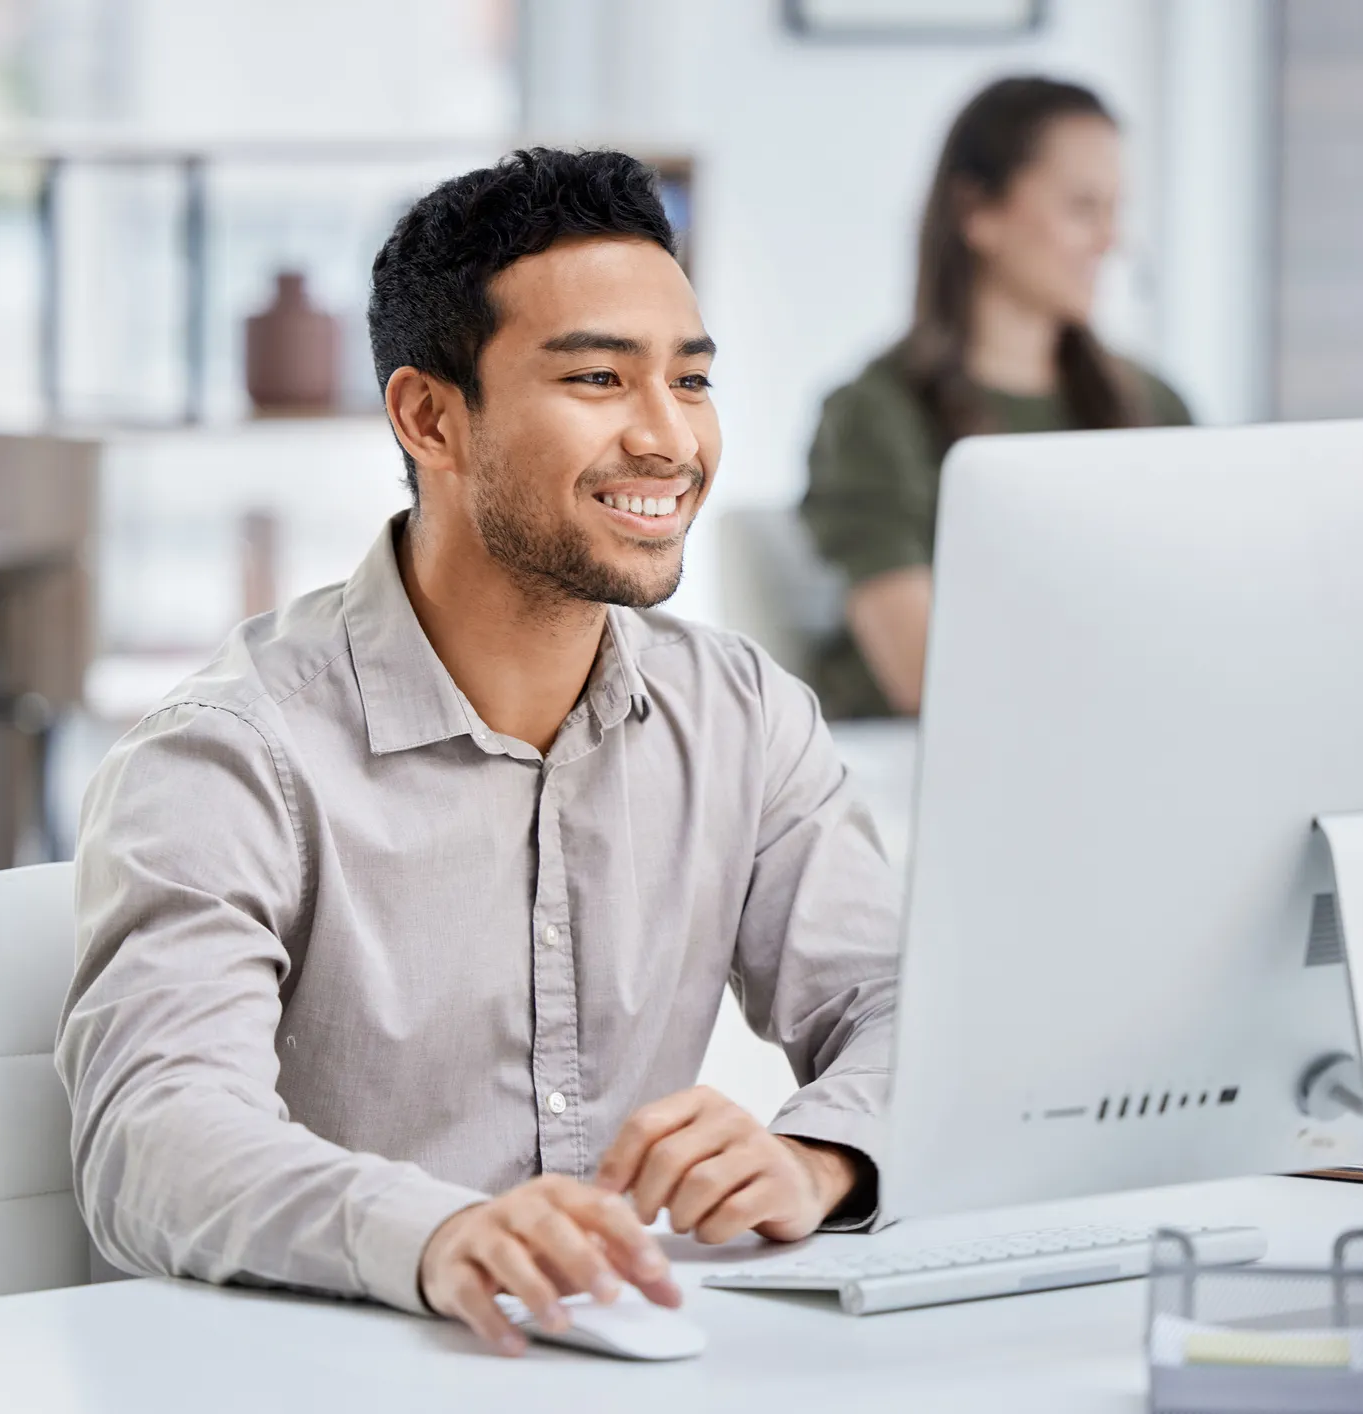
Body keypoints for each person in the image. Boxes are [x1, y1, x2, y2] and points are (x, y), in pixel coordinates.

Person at [58, 149, 900, 1357]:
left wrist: (817, 1154)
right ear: (428, 417)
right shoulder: (227, 754)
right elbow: (154, 1135)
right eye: (600, 378)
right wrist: (433, 1234)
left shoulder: (740, 713)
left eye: (691, 379)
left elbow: (894, 1001)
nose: (667, 438)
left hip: (623, 1362)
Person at [801, 76, 1192, 719]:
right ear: (977, 212)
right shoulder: (873, 415)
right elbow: (923, 675)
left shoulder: (1153, 404)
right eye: (1082, 208)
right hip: (921, 773)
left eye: (1116, 209)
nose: (1110, 239)